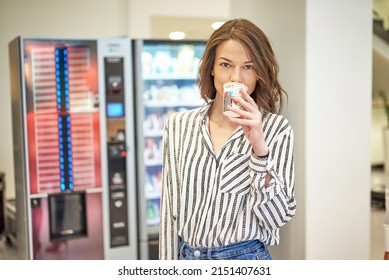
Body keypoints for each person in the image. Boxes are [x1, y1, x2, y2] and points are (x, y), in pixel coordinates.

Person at [159, 18, 296, 260]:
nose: (236, 78)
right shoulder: (179, 126)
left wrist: (259, 148)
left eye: (248, 67)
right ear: (211, 67)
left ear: (260, 73)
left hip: (246, 259)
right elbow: (169, 212)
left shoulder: (277, 129)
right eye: (225, 64)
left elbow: (278, 218)